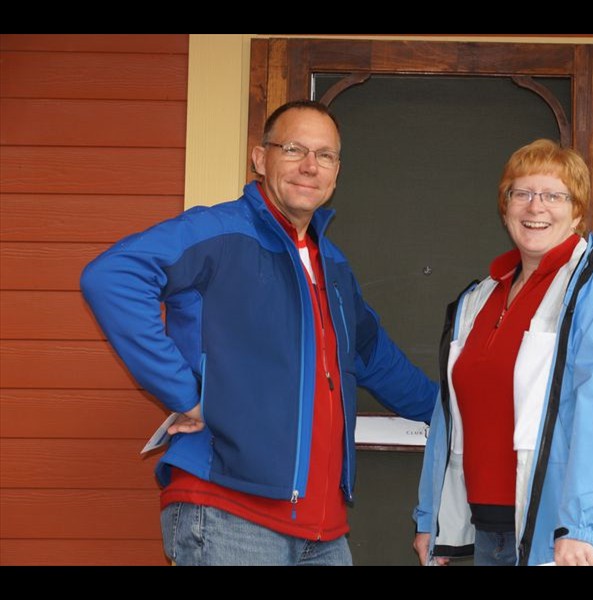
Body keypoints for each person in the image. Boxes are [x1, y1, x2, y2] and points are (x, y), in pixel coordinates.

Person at [81, 100, 437, 566]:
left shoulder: (332, 266)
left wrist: (455, 412)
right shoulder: (219, 231)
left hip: (323, 529)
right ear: (259, 158)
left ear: (336, 172)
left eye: (325, 155)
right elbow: (113, 277)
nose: (310, 166)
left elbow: (375, 359)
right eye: (293, 149)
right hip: (230, 512)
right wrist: (184, 395)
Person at [412, 139, 593, 566]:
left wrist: (581, 527)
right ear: (505, 209)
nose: (535, 206)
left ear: (577, 211)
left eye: (554, 195)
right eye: (521, 193)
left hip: (561, 538)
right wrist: (433, 519)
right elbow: (448, 415)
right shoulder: (477, 299)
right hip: (489, 532)